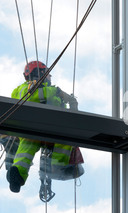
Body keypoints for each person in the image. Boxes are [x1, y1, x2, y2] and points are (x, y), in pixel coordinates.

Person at [7, 61, 83, 194]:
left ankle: (18, 174)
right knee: (64, 140)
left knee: (25, 151)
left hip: (32, 130)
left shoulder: (38, 89)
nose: (49, 77)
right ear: (40, 73)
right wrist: (57, 92)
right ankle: (57, 166)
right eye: (47, 74)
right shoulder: (27, 87)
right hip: (47, 128)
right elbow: (32, 96)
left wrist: (69, 103)